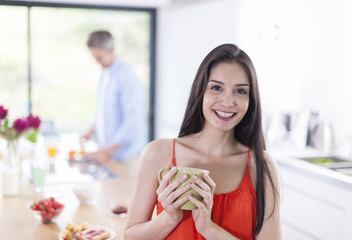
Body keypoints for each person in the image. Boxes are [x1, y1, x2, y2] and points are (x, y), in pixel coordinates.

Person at [124, 44, 281, 239]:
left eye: (240, 91)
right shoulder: (157, 153)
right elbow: (131, 236)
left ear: (251, 100)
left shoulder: (261, 164)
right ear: (200, 92)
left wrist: (209, 228)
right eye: (216, 88)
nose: (227, 102)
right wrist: (168, 218)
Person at [81, 30, 146, 174]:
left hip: (126, 158)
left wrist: (107, 151)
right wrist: (90, 131)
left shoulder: (127, 77)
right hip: (109, 156)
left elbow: (132, 123)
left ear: (111, 50)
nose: (97, 61)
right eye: (94, 57)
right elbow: (104, 112)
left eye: (99, 57)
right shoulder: (105, 74)